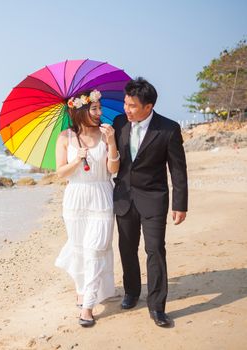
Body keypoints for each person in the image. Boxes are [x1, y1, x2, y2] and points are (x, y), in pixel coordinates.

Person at [112, 77, 188, 327]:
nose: (127, 109)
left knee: (155, 250)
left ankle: (157, 307)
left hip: (154, 198)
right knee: (126, 248)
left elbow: (178, 169)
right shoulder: (119, 123)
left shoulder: (168, 128)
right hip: (123, 196)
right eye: (125, 103)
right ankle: (132, 292)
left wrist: (180, 203)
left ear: (148, 106)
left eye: (132, 105)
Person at [55, 89, 120, 327]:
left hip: (102, 194)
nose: (99, 113)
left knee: (95, 250)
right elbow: (60, 173)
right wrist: (75, 160)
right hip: (75, 199)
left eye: (100, 108)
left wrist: (112, 142)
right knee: (79, 247)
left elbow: (114, 169)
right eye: (94, 109)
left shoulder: (106, 134)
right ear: (81, 110)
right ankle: (81, 289)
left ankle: (88, 306)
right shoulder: (65, 138)